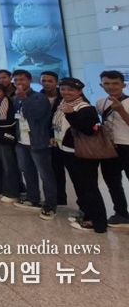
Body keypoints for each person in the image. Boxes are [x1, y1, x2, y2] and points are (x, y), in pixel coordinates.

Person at [52, 78, 108, 233]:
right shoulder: (63, 104)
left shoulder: (85, 108)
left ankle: (98, 223)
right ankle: (86, 214)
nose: (66, 92)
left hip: (82, 154)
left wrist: (71, 115)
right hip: (67, 151)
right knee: (80, 187)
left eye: (70, 90)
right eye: (63, 89)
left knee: (89, 188)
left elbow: (88, 130)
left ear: (79, 91)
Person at [12, 69, 57, 220]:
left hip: (38, 141)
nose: (19, 83)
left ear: (29, 80)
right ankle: (33, 198)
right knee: (27, 171)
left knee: (45, 175)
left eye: (22, 80)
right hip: (22, 141)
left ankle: (50, 204)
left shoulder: (39, 97)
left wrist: (25, 99)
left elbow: (36, 115)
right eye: (16, 80)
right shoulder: (15, 98)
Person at [96, 70, 129, 228]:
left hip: (127, 146)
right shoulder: (101, 103)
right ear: (101, 85)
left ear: (123, 85)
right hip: (109, 148)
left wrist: (121, 110)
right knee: (113, 182)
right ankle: (121, 214)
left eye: (115, 83)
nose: (111, 86)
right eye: (107, 83)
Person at [40, 72, 67, 207]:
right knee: (48, 170)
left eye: (50, 81)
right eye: (44, 81)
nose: (46, 83)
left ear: (56, 82)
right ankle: (53, 197)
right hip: (43, 137)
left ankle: (61, 198)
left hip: (62, 139)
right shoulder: (38, 96)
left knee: (59, 169)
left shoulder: (64, 96)